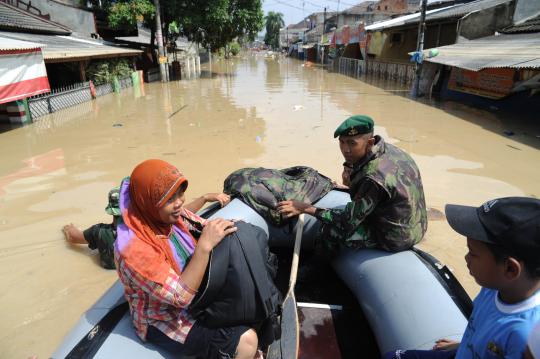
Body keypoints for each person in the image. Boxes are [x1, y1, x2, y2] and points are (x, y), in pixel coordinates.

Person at [115, 159, 262, 359]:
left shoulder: (170, 217)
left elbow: (205, 226)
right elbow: (180, 298)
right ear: (149, 202)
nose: (179, 203)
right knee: (247, 341)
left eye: (180, 194)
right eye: (169, 199)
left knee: (256, 310)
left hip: (196, 300)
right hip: (163, 319)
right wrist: (203, 247)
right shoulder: (133, 249)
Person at [383, 196, 540, 359]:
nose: (466, 258)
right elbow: (481, 323)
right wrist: (462, 344)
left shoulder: (524, 335)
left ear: (510, 269)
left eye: (472, 253)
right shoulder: (494, 287)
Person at [278, 114, 428, 252]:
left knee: (330, 231)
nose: (345, 150)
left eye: (352, 143)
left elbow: (346, 222)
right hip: (418, 226)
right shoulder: (392, 151)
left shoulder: (373, 177)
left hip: (396, 238)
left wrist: (306, 208)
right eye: (342, 142)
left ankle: (316, 271)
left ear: (369, 142)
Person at [63, 187, 230, 269]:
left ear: (111, 212)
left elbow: (74, 237)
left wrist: (66, 228)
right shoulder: (146, 233)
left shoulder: (99, 233)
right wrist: (205, 198)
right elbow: (179, 216)